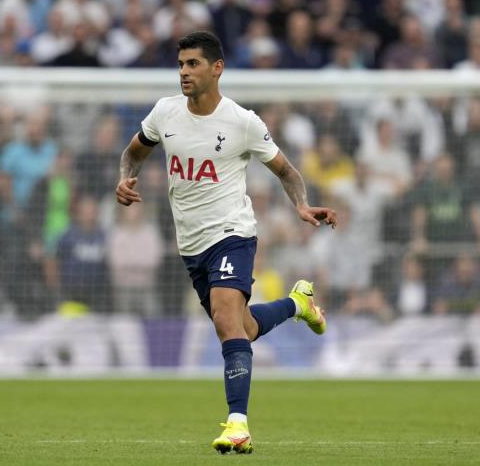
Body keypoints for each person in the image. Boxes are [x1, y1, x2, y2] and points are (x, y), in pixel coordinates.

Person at [114, 31, 337, 454]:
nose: (184, 72)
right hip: (191, 245)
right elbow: (133, 152)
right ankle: (297, 304)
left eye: (193, 64)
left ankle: (238, 424)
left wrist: (303, 207)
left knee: (224, 319)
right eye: (180, 64)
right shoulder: (165, 113)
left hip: (233, 233)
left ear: (217, 68)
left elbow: (287, 171)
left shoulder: (242, 122)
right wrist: (125, 178)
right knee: (242, 327)